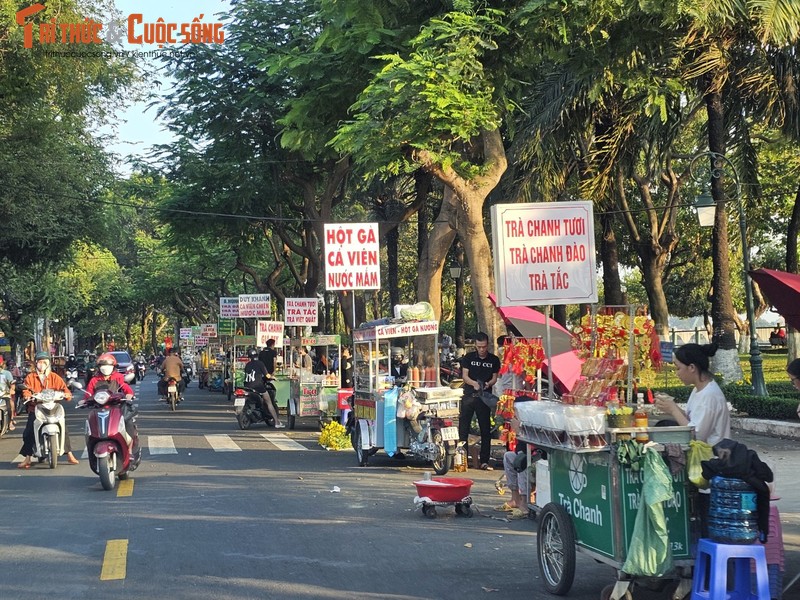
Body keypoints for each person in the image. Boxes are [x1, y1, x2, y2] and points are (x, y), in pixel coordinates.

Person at [654, 342, 730, 535]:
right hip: (702, 464)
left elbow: (694, 434)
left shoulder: (710, 396)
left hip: (710, 465)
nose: (677, 373)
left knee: (707, 526)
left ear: (692, 368)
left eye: (678, 368)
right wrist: (673, 409)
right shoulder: (698, 391)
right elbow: (690, 421)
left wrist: (672, 409)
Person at [17, 351, 80, 469]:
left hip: (53, 407)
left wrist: (67, 395)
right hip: (36, 408)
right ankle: (27, 458)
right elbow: (26, 390)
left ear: (48, 364)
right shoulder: (30, 377)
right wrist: (27, 395)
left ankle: (69, 454)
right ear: (36, 364)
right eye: (39, 362)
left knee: (63, 428)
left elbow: (64, 389)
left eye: (44, 362)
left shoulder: (54, 377)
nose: (41, 364)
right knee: (29, 431)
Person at [459, 332, 501, 470]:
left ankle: (484, 461)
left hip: (484, 397)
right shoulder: (469, 358)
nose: (481, 350)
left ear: (487, 345)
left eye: (483, 347)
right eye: (479, 347)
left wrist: (489, 383)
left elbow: (495, 377)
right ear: (475, 346)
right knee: (463, 428)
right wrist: (473, 384)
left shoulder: (493, 360)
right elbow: (465, 376)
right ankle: (462, 457)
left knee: (485, 430)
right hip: (469, 395)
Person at [85, 353, 138, 442]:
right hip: (99, 408)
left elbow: (125, 388)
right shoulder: (94, 380)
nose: (105, 368)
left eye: (108, 365)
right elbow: (88, 394)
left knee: (127, 421)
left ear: (113, 367)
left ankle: (131, 446)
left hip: (117, 407)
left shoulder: (118, 377)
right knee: (91, 425)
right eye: (103, 365)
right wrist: (85, 400)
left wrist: (129, 395)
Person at [243, 348, 284, 428]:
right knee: (269, 402)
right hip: (258, 387)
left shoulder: (247, 365)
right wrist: (273, 377)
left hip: (247, 387)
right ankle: (277, 422)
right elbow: (267, 375)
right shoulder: (260, 363)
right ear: (256, 356)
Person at [0, 355, 16, 431]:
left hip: (4, 394)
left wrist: (12, 390)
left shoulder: (7, 373)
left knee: (10, 405)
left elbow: (12, 384)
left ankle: (10, 421)